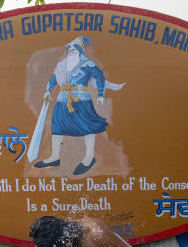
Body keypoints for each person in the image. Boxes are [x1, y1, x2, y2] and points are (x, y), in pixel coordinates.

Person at [33, 36, 124, 176]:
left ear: (80, 51)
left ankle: (89, 157)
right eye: (70, 49)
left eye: (74, 49)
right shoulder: (62, 65)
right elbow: (54, 79)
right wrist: (47, 90)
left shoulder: (87, 65)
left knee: (88, 126)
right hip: (63, 98)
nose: (71, 51)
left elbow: (99, 77)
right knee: (57, 127)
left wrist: (100, 94)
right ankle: (55, 157)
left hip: (81, 99)